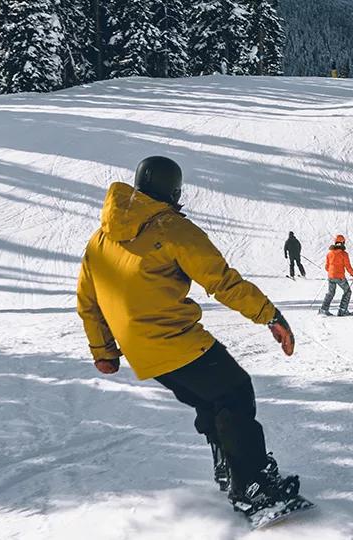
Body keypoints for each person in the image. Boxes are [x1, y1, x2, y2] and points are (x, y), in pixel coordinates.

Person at [77, 156, 301, 514]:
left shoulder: (100, 238)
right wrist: (269, 315)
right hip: (173, 338)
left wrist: (104, 351)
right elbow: (223, 282)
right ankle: (253, 486)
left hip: (143, 352)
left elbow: (88, 301)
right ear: (174, 190)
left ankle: (229, 468)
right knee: (234, 391)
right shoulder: (172, 228)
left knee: (211, 398)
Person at [319, 235, 353, 316]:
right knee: (347, 292)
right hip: (339, 277)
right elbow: (348, 267)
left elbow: (326, 267)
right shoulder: (344, 254)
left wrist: (332, 272)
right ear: (343, 242)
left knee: (330, 293)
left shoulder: (329, 253)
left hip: (330, 276)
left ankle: (323, 309)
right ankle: (342, 310)